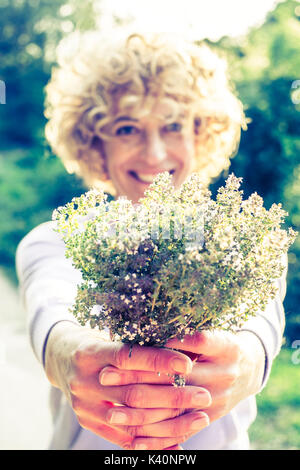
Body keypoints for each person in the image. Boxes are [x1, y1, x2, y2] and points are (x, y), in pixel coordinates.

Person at [16, 31, 286, 451]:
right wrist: (72, 357)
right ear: (94, 143)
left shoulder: (246, 244)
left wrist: (244, 362)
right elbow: (51, 321)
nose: (154, 154)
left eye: (173, 125)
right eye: (127, 128)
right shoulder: (55, 240)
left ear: (201, 133)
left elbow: (258, 333)